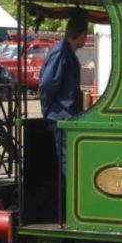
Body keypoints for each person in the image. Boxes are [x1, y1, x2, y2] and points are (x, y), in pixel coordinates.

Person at [39, 13, 89, 174]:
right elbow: (47, 83)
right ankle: (69, 197)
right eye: (85, 35)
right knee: (68, 161)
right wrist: (48, 110)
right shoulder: (61, 53)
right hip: (62, 115)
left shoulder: (66, 52)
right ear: (81, 35)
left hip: (67, 114)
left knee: (71, 159)